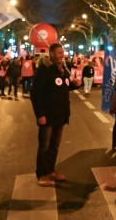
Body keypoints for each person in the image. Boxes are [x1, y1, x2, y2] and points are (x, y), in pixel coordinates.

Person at [31, 43, 81, 187]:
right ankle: (41, 174)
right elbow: (35, 94)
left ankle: (51, 170)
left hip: (61, 115)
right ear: (51, 54)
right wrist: (40, 114)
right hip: (48, 115)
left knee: (55, 146)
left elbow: (63, 86)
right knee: (44, 146)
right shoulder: (43, 70)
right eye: (59, 53)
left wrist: (74, 84)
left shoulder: (63, 69)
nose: (62, 55)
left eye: (63, 52)